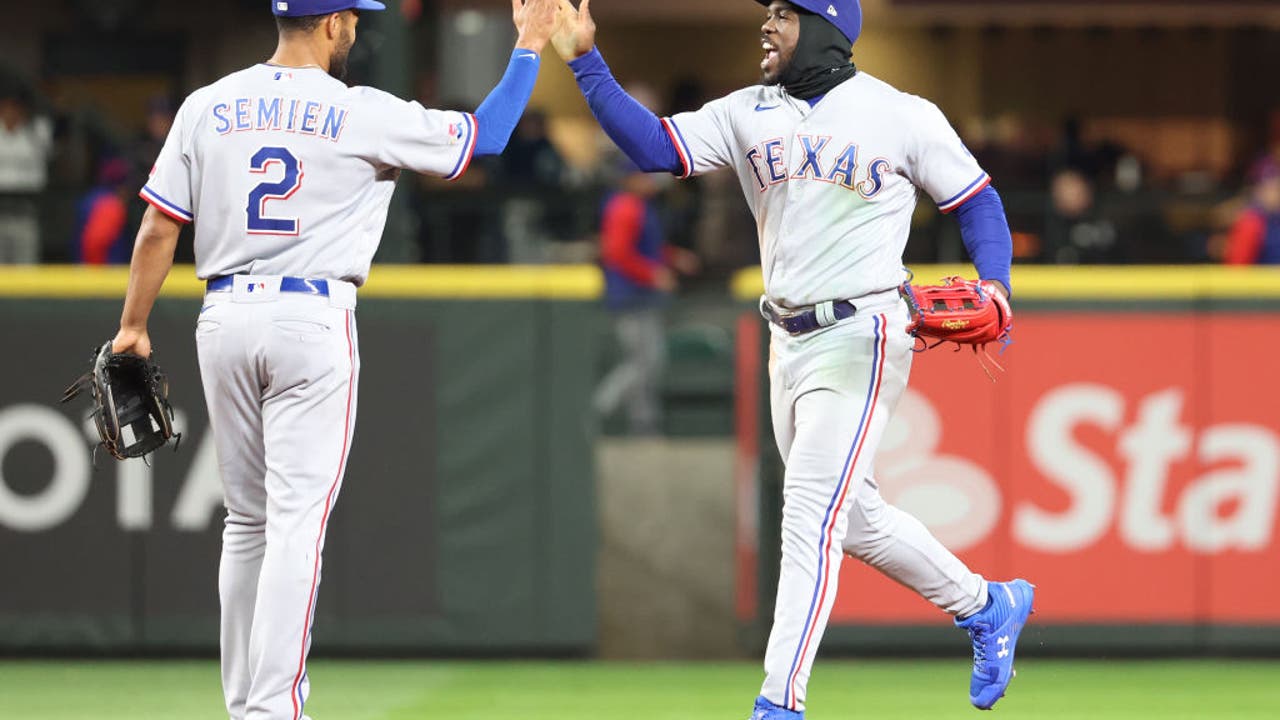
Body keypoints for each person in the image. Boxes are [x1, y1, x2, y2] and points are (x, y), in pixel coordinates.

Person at [550, 1, 1034, 716]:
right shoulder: (747, 110)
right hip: (788, 340)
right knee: (856, 517)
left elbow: (978, 201)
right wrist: (585, 61)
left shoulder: (899, 113)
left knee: (809, 511)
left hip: (865, 331)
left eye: (784, 12)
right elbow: (654, 148)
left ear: (828, 26)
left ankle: (779, 703)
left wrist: (996, 283)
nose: (767, 25)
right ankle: (985, 604)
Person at [108, 0, 559, 717]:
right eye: (352, 17)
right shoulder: (360, 110)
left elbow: (160, 224)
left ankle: (245, 704)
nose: (356, 28)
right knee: (294, 524)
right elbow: (488, 137)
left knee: (247, 522)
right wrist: (530, 43)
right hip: (310, 317)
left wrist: (133, 326)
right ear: (330, 24)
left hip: (222, 314)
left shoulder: (208, 103)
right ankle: (274, 708)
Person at [594, 160, 699, 434]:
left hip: (640, 297)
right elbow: (616, 253)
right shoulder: (625, 206)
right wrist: (652, 274)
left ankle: (644, 425)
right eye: (645, 178)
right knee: (644, 362)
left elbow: (647, 247)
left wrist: (673, 257)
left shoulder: (639, 205)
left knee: (647, 362)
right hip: (630, 297)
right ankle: (596, 410)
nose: (651, 182)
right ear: (630, 179)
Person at [0, 81, 53, 264]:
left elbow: (49, 113)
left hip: (26, 209)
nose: (11, 111)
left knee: (26, 267)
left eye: (16, 107)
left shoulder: (36, 132)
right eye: (6, 106)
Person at [73, 156, 132, 264]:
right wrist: (98, 274)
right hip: (103, 273)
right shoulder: (109, 204)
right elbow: (96, 241)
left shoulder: (92, 197)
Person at [1224, 156, 1280, 265]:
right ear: (1258, 189)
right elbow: (1237, 266)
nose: (1276, 194)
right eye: (1273, 188)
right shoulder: (1251, 222)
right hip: (1262, 281)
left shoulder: (1275, 217)